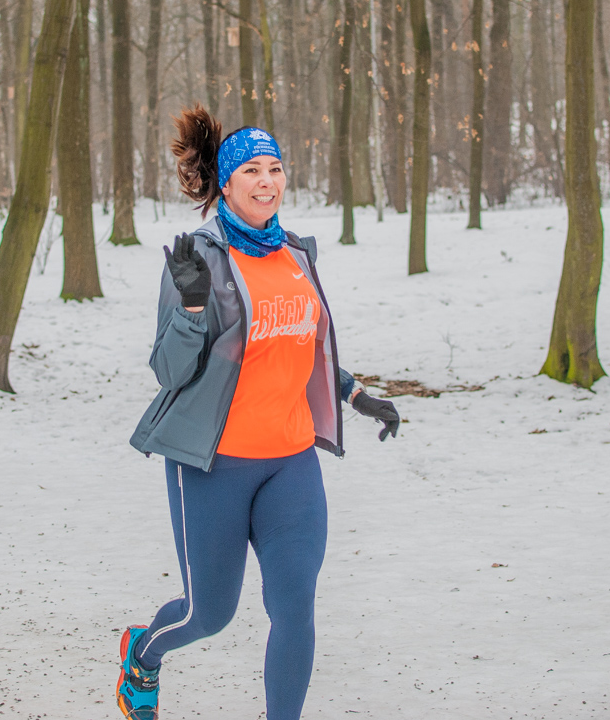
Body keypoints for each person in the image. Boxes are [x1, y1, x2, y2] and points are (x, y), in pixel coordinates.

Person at [116, 104, 401, 720]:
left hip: (291, 464)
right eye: (252, 170)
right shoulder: (199, 258)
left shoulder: (295, 255)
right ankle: (143, 653)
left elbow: (299, 347)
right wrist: (192, 310)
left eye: (276, 168)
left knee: (294, 608)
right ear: (226, 182)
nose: (268, 181)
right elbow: (169, 372)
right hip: (215, 465)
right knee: (208, 613)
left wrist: (357, 395)